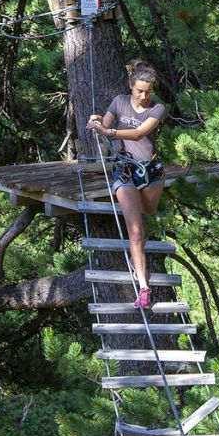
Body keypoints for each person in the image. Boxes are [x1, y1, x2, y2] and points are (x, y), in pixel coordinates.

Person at [86, 60, 165, 309]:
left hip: (151, 171)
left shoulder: (157, 108)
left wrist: (110, 134)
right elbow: (105, 126)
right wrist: (97, 122)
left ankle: (137, 254)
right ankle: (143, 287)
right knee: (136, 231)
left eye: (148, 92)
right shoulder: (119, 102)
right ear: (131, 86)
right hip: (125, 171)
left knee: (149, 211)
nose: (143, 96)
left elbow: (140, 133)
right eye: (139, 90)